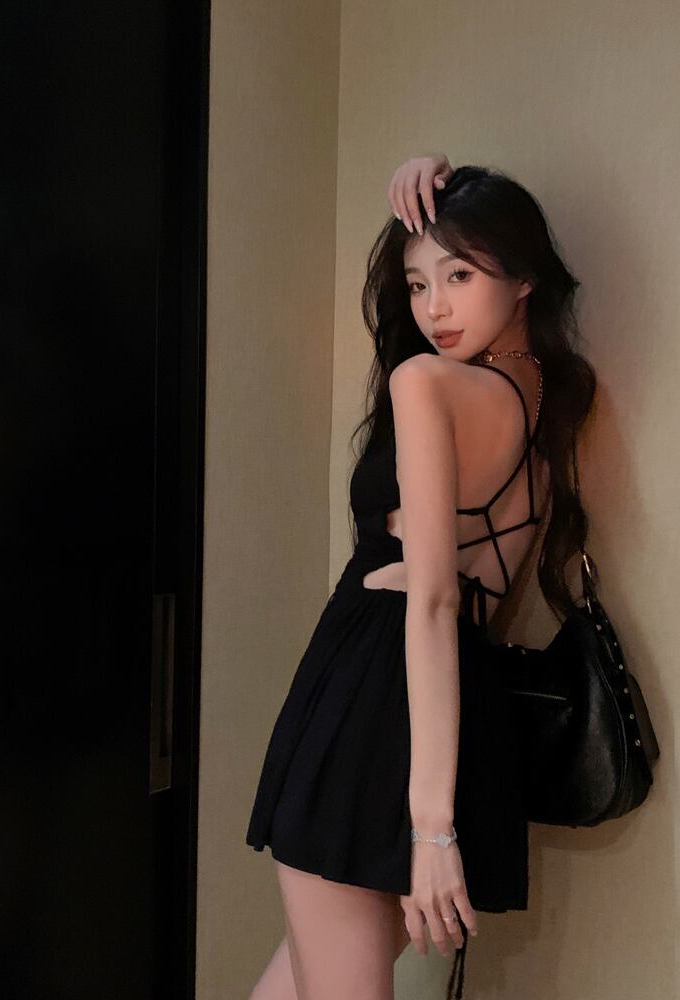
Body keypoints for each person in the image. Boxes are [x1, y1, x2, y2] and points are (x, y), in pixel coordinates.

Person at [245, 153, 596, 999]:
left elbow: (434, 600)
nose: (433, 307)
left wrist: (430, 832)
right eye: (415, 283)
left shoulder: (425, 382)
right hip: (453, 707)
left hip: (373, 699)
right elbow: (467, 594)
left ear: (523, 280)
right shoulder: (545, 401)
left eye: (460, 275)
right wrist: (433, 172)